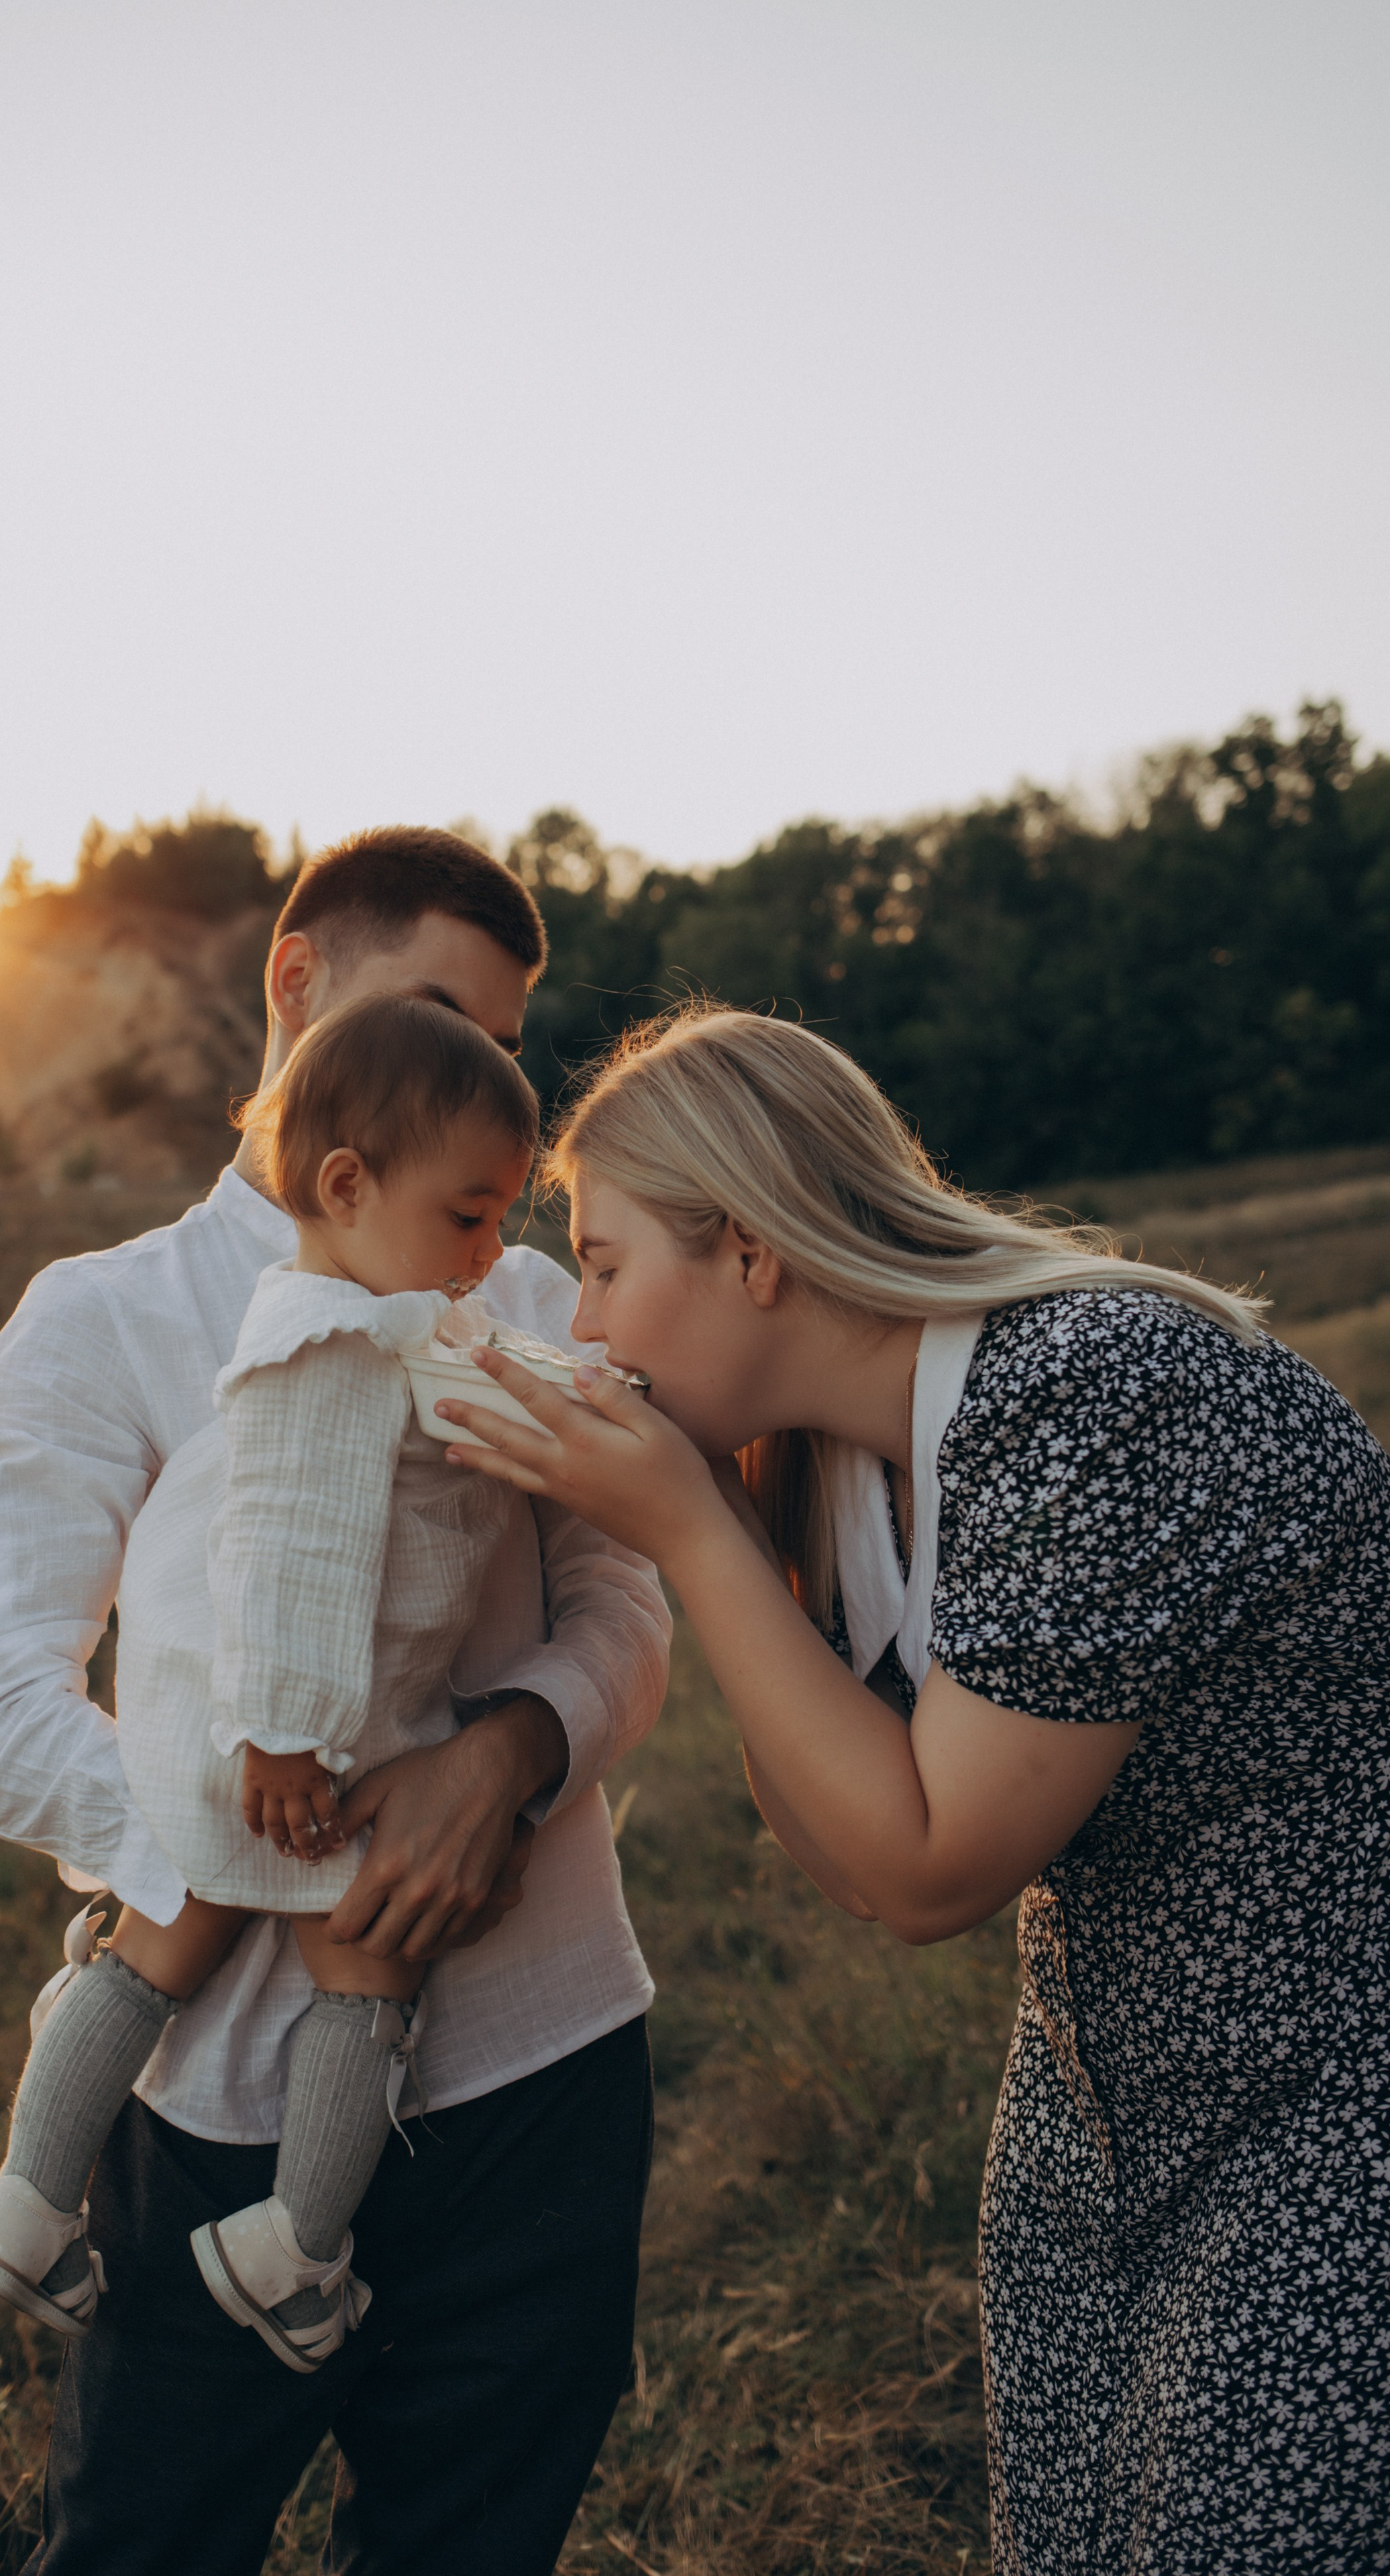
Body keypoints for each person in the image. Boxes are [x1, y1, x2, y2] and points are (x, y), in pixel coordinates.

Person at [437, 1004, 1390, 2576]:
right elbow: (847, 1862)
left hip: (1320, 2106)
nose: (586, 1330)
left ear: (749, 1251)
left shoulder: (1096, 1397)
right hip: (1106, 2113)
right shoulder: (846, 1462)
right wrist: (731, 1540)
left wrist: (685, 1535)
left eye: (603, 1267)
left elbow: (932, 1867)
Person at [0, 830, 670, 2576]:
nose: (478, 1084)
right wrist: (224, 1845)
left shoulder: (532, 1294)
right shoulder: (96, 1320)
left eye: (503, 1049)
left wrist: (519, 1746)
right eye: (434, 1019)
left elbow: (626, 1603)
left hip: (543, 2077)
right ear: (297, 984)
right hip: (215, 2113)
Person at [0, 995, 590, 2373]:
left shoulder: (358, 1309)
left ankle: (26, 2198)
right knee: (370, 1975)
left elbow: (485, 1361)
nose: (490, 1254)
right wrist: (287, 1742)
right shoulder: (329, 1351)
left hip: (209, 1742)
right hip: (290, 1754)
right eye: (469, 1218)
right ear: (347, 1186)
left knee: (148, 1955)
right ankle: (289, 2245)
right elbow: (293, 1554)